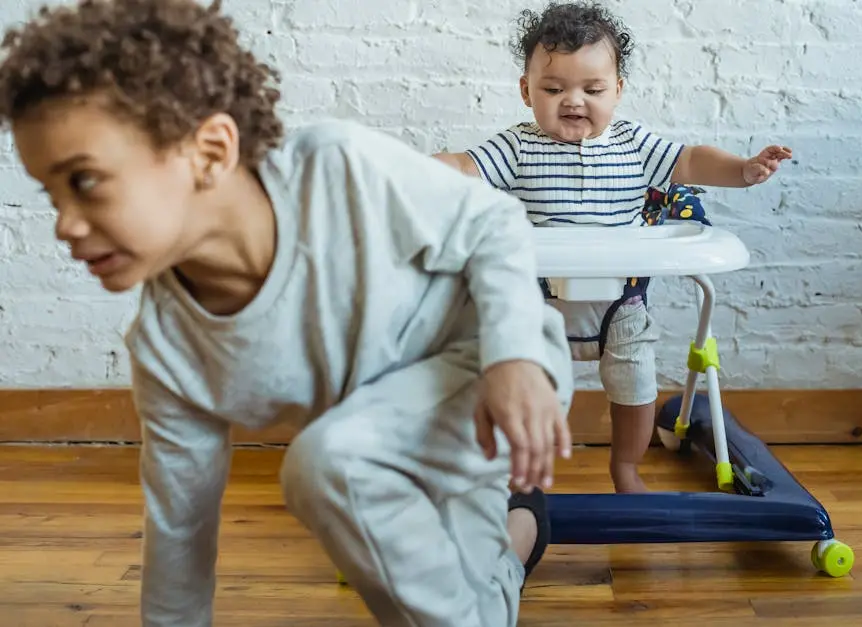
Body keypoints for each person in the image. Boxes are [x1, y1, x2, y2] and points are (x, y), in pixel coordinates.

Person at [0, 0, 574, 625]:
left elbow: (492, 222)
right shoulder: (168, 350)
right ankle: (518, 539)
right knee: (447, 580)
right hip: (383, 436)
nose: (63, 224)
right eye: (49, 193)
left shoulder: (337, 167)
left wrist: (513, 357)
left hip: (501, 372)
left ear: (210, 150)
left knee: (331, 465)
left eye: (83, 180)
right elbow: (180, 531)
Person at [433, 0, 792, 494]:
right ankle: (520, 481)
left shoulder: (635, 144)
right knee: (526, 387)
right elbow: (463, 166)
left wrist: (741, 171)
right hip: (538, 304)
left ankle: (625, 468)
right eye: (553, 88)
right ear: (526, 91)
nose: (573, 100)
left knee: (637, 389)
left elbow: (690, 161)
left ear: (617, 91)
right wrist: (409, 169)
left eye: (592, 88)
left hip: (620, 303)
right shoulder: (517, 147)